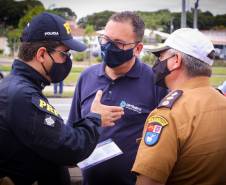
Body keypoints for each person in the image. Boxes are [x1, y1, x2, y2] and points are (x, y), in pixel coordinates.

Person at [0, 12, 124, 185]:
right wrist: (95, 118)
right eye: (64, 54)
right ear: (41, 54)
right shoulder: (24, 96)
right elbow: (70, 147)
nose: (67, 60)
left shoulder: (17, 86)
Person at [67, 11, 167, 185]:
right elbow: (71, 130)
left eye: (118, 43)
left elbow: (165, 144)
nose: (108, 46)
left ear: (138, 48)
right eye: (106, 39)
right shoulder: (87, 77)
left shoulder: (155, 82)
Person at [132, 28, 226, 185]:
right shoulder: (221, 101)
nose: (156, 63)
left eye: (160, 57)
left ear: (176, 60)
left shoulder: (167, 115)